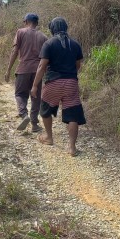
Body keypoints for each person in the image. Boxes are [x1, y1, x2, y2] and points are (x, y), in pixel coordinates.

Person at [31, 17, 86, 156]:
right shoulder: (75, 44)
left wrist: (35, 85)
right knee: (73, 115)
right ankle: (72, 147)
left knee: (46, 109)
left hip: (53, 83)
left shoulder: (48, 44)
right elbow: (78, 65)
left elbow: (42, 66)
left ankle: (49, 137)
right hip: (71, 83)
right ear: (66, 27)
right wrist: (69, 74)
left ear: (52, 29)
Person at [4, 13, 47, 133]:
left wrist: (8, 70)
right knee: (36, 97)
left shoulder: (20, 32)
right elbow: (47, 58)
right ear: (37, 23)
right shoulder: (43, 37)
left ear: (26, 22)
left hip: (23, 68)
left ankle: (24, 115)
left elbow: (15, 51)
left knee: (20, 94)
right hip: (38, 71)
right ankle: (34, 124)